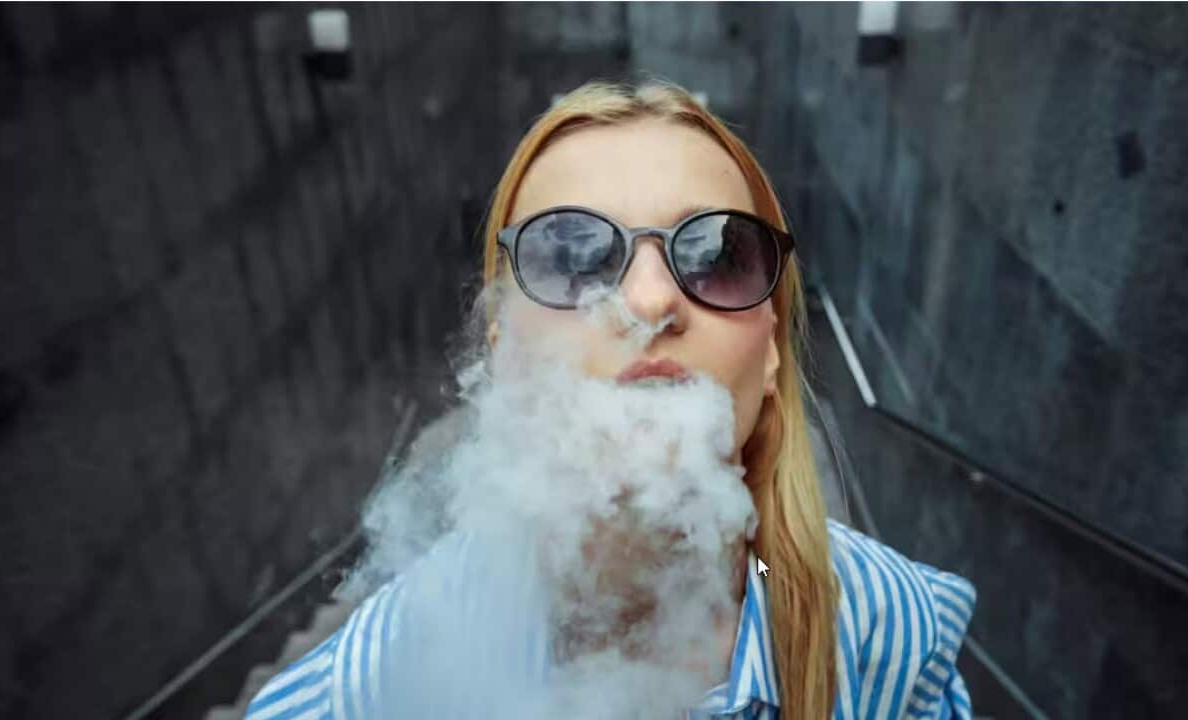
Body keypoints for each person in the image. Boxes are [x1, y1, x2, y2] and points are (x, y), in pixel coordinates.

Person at [244, 79, 976, 720]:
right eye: (573, 255)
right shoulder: (379, 689)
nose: (651, 299)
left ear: (772, 349)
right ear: (502, 353)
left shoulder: (889, 638)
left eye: (718, 256)